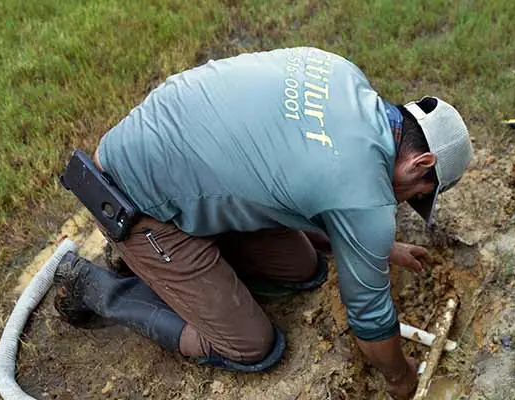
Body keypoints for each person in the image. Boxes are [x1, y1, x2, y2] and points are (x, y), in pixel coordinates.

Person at [52, 47, 472, 399]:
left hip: (161, 147)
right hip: (129, 197)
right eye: (415, 195)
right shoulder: (363, 195)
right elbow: (371, 320)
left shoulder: (345, 77)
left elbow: (306, 180)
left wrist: (379, 246)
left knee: (304, 268)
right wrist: (400, 379)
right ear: (422, 162)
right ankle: (97, 285)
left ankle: (168, 264)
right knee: (252, 346)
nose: (402, 203)